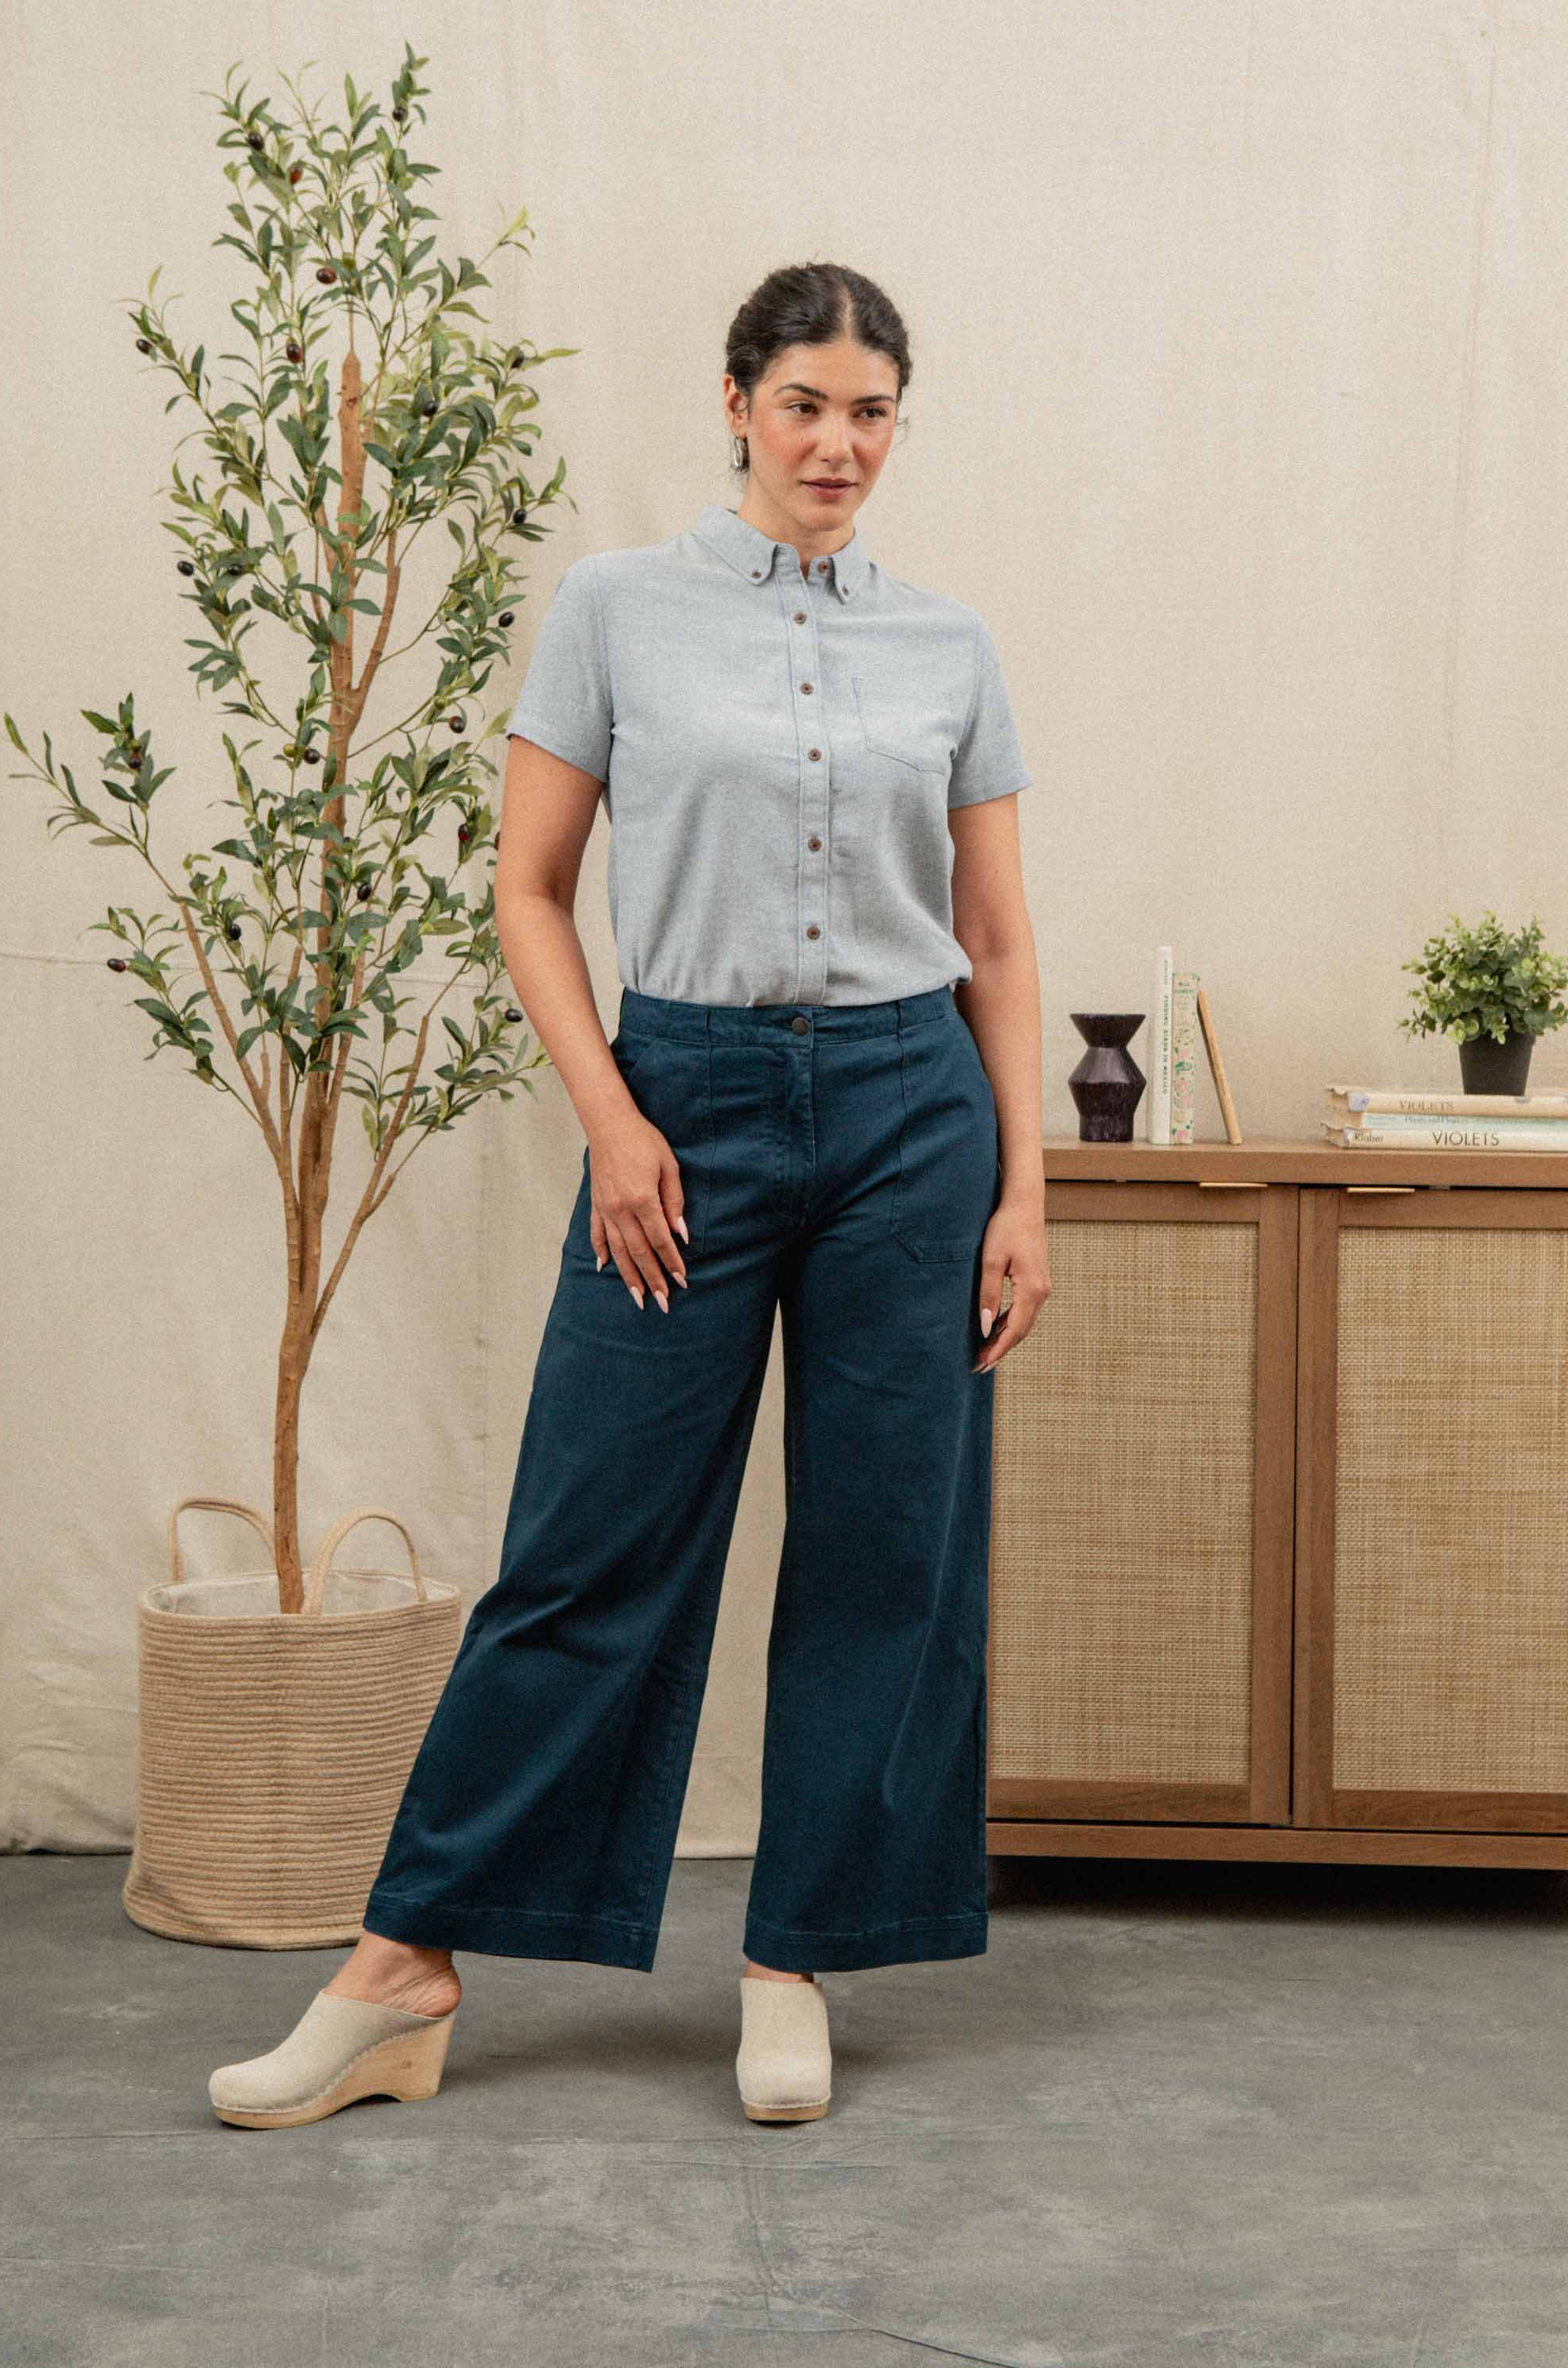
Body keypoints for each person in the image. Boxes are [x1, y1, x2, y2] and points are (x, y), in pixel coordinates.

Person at [208, 260, 1051, 2132]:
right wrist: (612, 1119)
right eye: (807, 403)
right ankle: (404, 1964)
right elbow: (529, 889)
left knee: (885, 1550)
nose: (839, 442)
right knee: (589, 1539)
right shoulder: (614, 610)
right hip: (685, 1094)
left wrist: (1024, 1188)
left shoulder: (949, 647)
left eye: (872, 411)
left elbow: (994, 940)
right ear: (737, 402)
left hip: (917, 1112)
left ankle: (793, 1960)